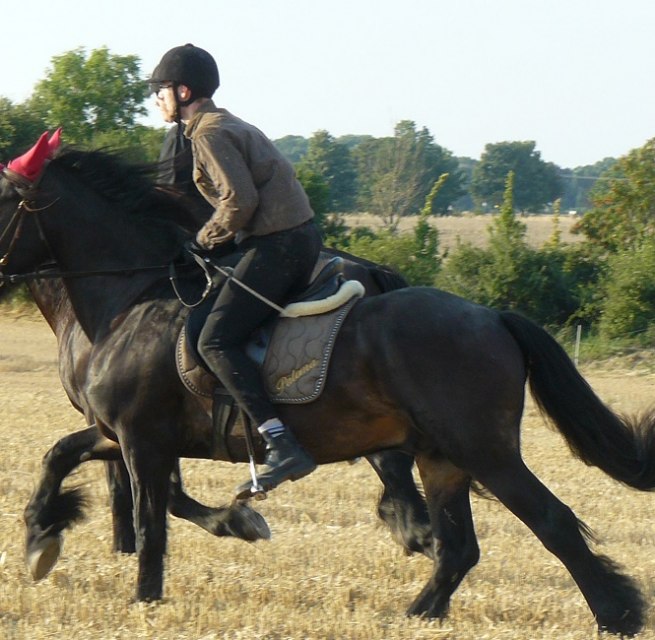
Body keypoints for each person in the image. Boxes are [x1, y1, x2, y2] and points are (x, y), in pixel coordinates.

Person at [149, 43, 322, 499]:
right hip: (289, 240)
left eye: (161, 90)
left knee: (212, 338)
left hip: (277, 247)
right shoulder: (223, 122)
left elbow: (239, 202)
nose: (157, 99)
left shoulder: (206, 133)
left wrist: (200, 243)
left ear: (183, 91)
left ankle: (281, 442)